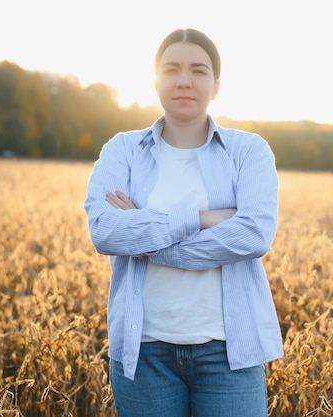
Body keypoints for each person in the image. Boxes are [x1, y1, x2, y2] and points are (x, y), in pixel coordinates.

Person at [84, 28, 283, 417]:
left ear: (216, 85)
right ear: (155, 80)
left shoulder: (249, 152)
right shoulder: (122, 151)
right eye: (171, 68)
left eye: (198, 70)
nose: (184, 80)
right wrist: (203, 219)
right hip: (144, 354)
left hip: (230, 353)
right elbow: (105, 231)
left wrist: (145, 239)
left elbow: (254, 234)